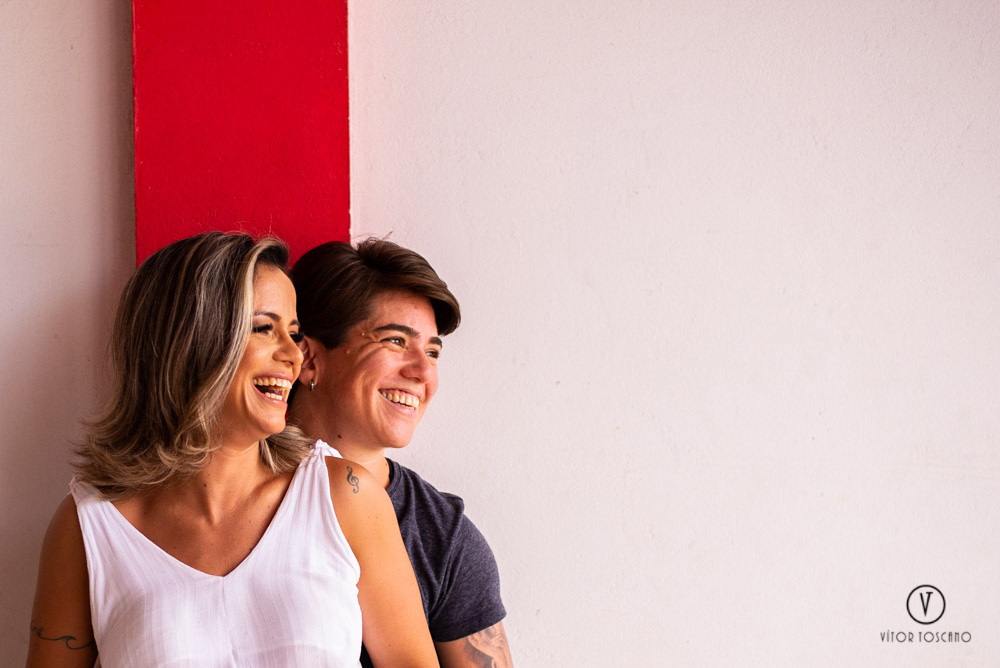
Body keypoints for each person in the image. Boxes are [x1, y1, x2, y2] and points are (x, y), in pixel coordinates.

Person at [27, 232, 437, 667]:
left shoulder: (344, 495)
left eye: (293, 333)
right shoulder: (89, 528)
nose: (294, 355)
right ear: (191, 341)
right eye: (264, 328)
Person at [288, 238, 513, 668]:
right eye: (395, 341)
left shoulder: (444, 539)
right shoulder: (221, 493)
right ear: (310, 359)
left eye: (432, 352)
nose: (424, 372)